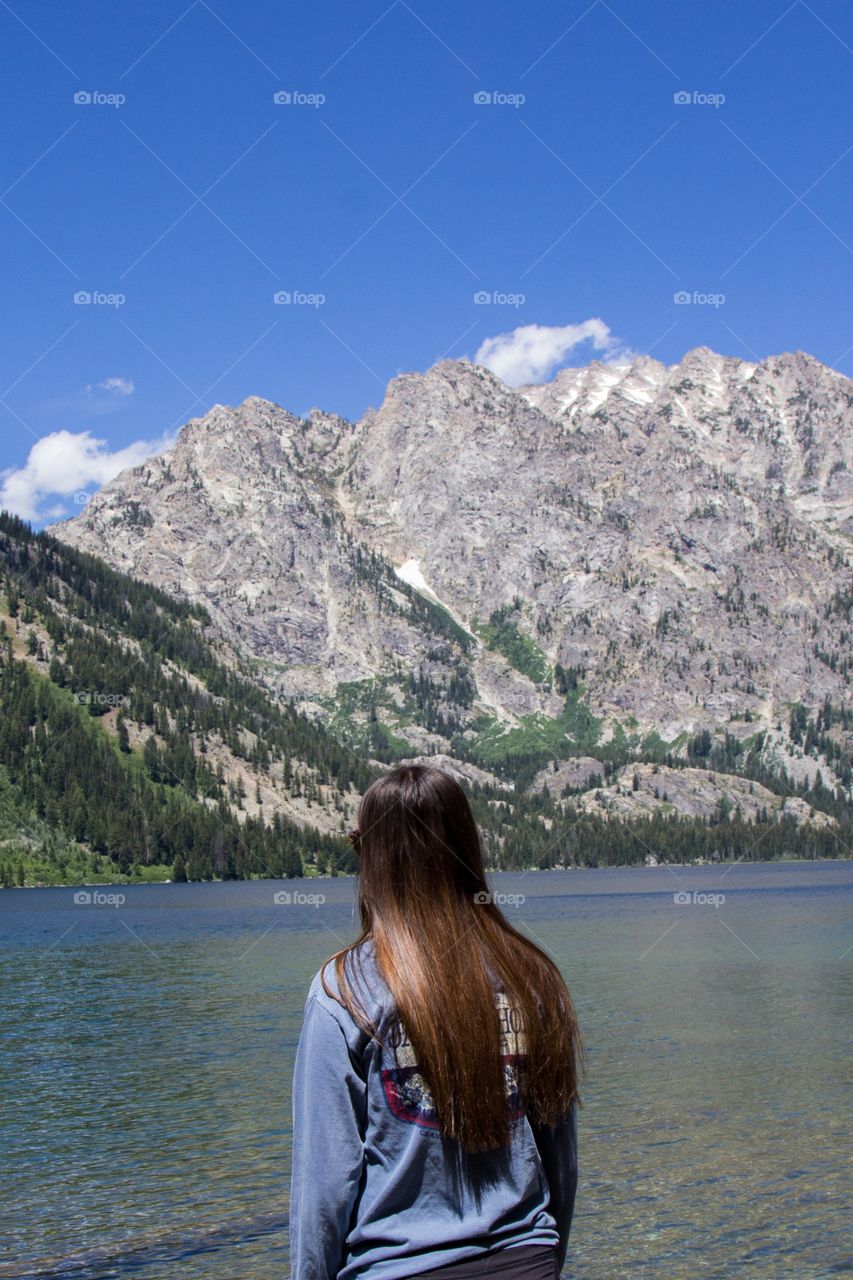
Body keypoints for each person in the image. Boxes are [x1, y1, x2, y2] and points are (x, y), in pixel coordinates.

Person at [289, 762, 583, 1280]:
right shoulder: (532, 975)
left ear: (373, 858)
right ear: (467, 850)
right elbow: (563, 1163)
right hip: (527, 1262)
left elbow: (324, 1189)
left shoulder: (342, 991)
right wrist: (546, 1262)